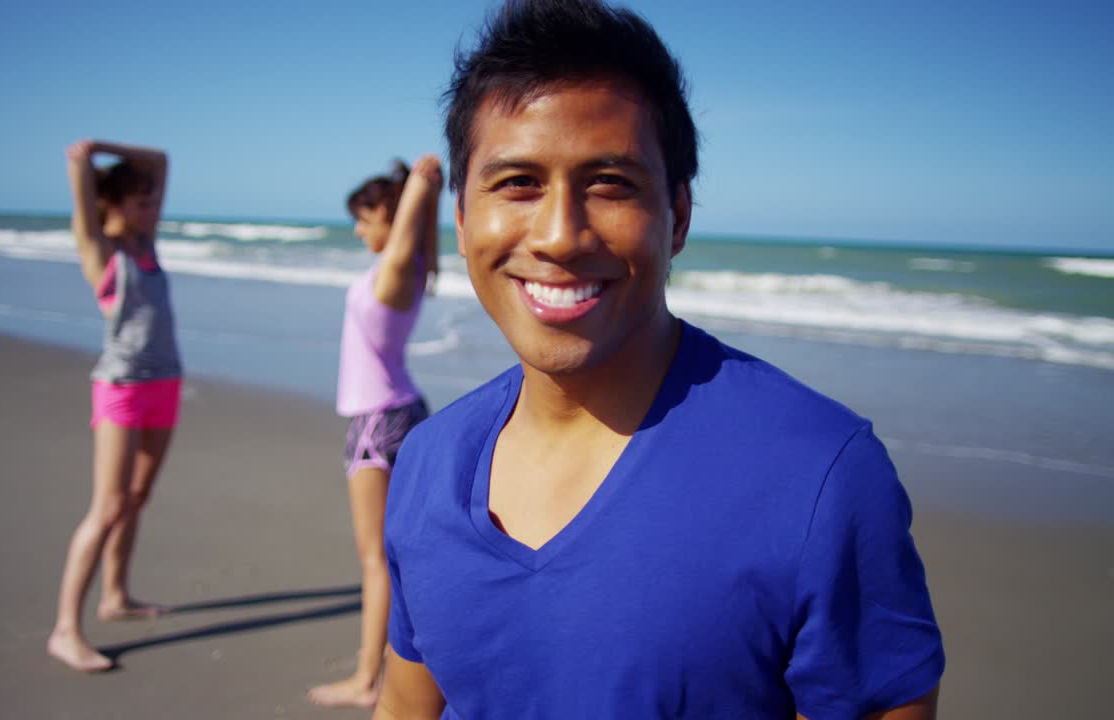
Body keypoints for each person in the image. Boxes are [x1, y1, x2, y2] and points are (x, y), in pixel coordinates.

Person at [374, 1, 944, 718]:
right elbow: (405, 706)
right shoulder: (427, 464)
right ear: (462, 220)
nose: (558, 235)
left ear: (677, 217)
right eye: (518, 182)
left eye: (610, 183)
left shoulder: (817, 477)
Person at [308, 156, 443, 706]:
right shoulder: (414, 268)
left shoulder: (394, 271)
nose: (359, 230)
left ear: (390, 216)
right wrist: (425, 191)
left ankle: (368, 679)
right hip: (407, 410)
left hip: (375, 421)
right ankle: (402, 664)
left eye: (365, 219)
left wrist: (417, 184)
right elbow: (419, 229)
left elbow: (410, 221)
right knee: (402, 554)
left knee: (376, 560)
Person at [48, 139, 181, 673]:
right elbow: (81, 176)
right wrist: (89, 154)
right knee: (107, 505)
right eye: (142, 202)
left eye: (152, 202)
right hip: (121, 389)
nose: (153, 210)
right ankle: (64, 629)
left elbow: (162, 161)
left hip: (166, 382)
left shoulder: (149, 242)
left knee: (137, 496)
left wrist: (113, 147)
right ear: (118, 205)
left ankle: (116, 596)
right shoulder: (102, 252)